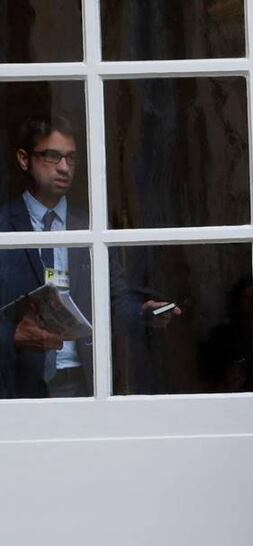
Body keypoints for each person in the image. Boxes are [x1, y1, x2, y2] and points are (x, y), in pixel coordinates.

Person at [0, 114, 180, 399]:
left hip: (81, 380)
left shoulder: (89, 229)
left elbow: (115, 300)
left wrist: (143, 312)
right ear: (24, 159)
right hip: (15, 383)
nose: (64, 168)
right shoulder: (4, 226)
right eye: (52, 156)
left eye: (71, 159)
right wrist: (10, 335)